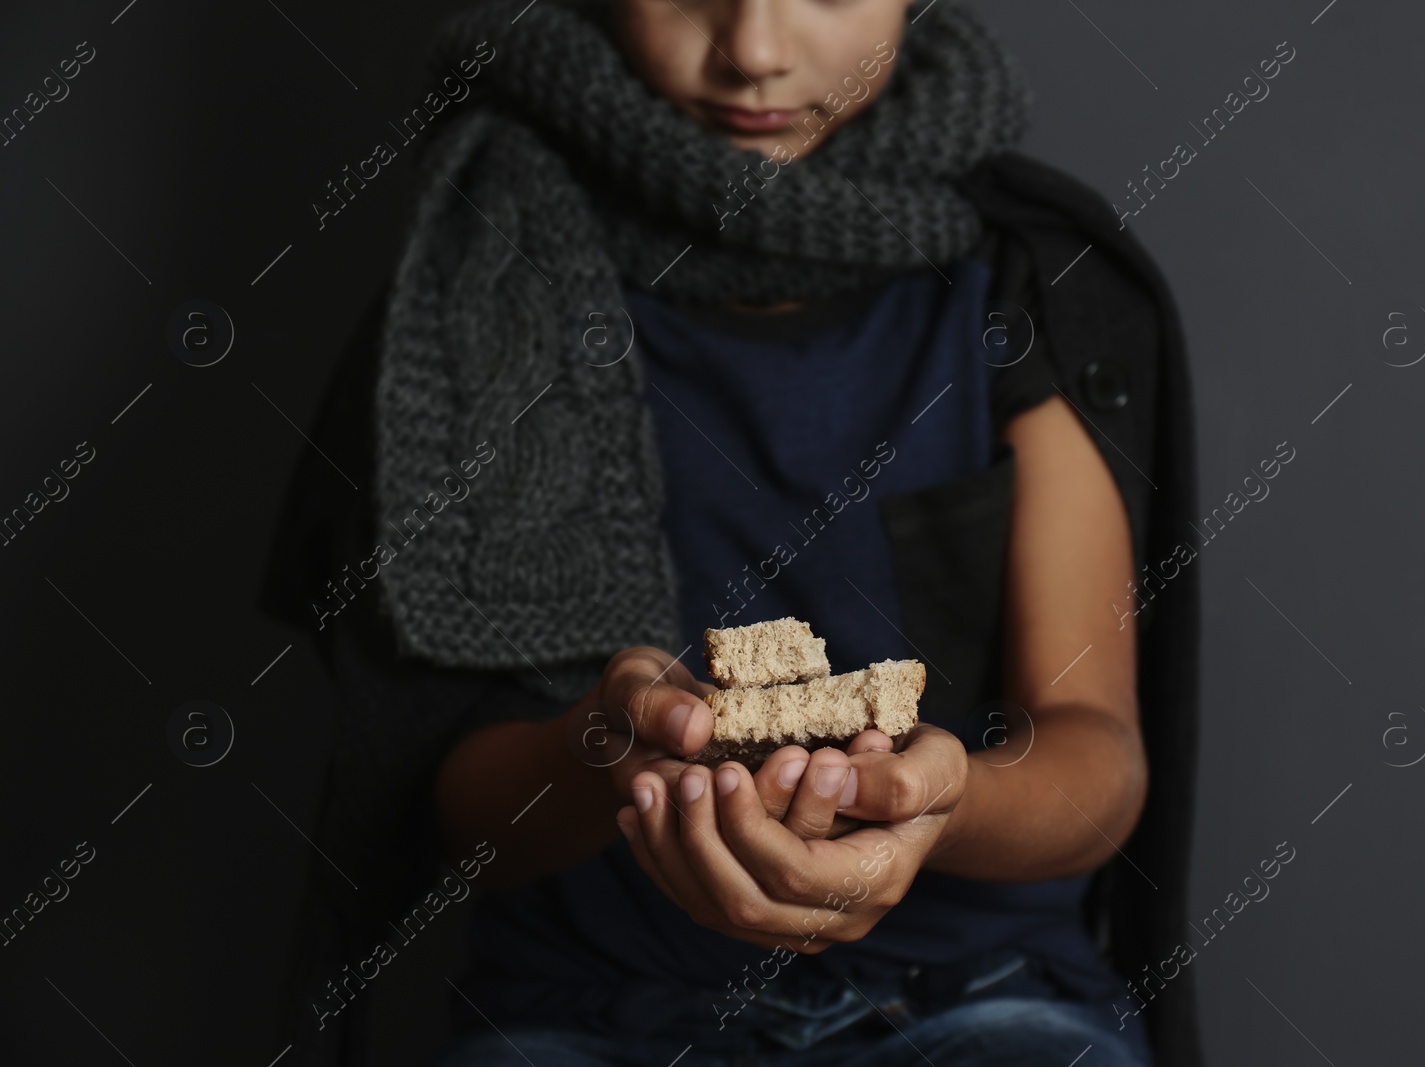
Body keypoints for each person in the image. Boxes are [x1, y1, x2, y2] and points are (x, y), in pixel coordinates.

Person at [260, 0, 1204, 1064]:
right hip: (589, 1011)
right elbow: (458, 812)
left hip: (978, 996)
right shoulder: (479, 288)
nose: (752, 53)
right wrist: (612, 744)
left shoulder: (1022, 292)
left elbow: (1095, 758)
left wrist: (938, 801)